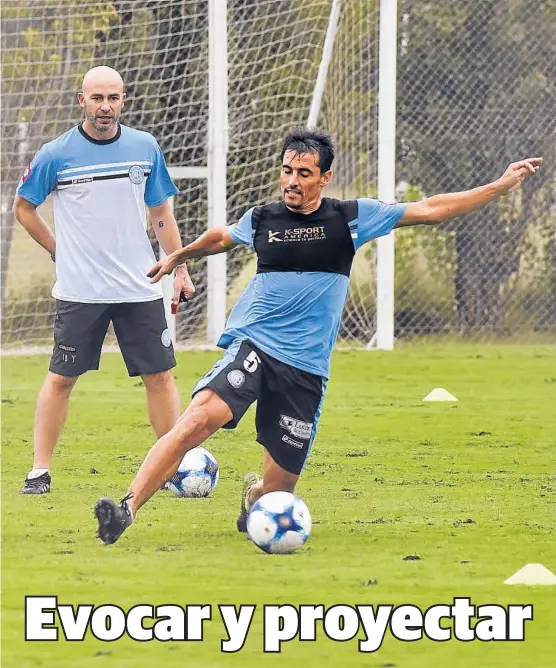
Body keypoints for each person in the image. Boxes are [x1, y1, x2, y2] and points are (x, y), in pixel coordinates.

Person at [94, 128, 542, 544]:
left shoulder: (350, 218)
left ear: (325, 178)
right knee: (195, 421)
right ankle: (126, 509)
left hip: (305, 371)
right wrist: (179, 256)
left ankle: (253, 500)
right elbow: (221, 237)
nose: (292, 181)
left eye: (304, 173)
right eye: (287, 171)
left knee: (276, 493)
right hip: (256, 347)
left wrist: (498, 187)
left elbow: (432, 210)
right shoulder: (263, 218)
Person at [13, 66, 195, 495]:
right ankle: (39, 471)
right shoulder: (55, 154)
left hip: (140, 286)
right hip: (81, 291)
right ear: (81, 101)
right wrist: (58, 249)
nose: (105, 107)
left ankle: (171, 468)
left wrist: (180, 265)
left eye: (113, 98)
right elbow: (24, 207)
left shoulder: (143, 147)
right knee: (61, 378)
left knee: (160, 375)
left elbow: (161, 214)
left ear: (123, 101)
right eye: (97, 98)